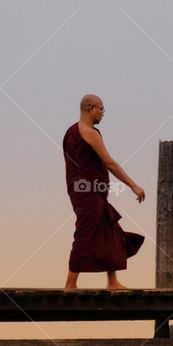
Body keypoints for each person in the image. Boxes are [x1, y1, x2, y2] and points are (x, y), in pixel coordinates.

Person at [63, 94, 146, 290]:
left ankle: (112, 281)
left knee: (110, 230)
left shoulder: (70, 131)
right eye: (101, 109)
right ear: (91, 108)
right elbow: (109, 163)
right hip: (88, 193)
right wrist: (133, 185)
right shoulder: (89, 133)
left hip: (90, 191)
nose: (103, 113)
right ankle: (70, 283)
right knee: (86, 233)